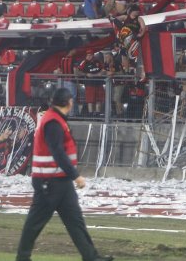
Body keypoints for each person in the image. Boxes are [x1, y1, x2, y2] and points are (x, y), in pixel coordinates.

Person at [16, 87, 113, 261]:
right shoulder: (53, 122)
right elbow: (58, 152)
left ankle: (91, 257)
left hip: (59, 180)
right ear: (69, 102)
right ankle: (22, 258)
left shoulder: (54, 119)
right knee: (35, 223)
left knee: (75, 222)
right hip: (50, 181)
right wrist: (75, 175)